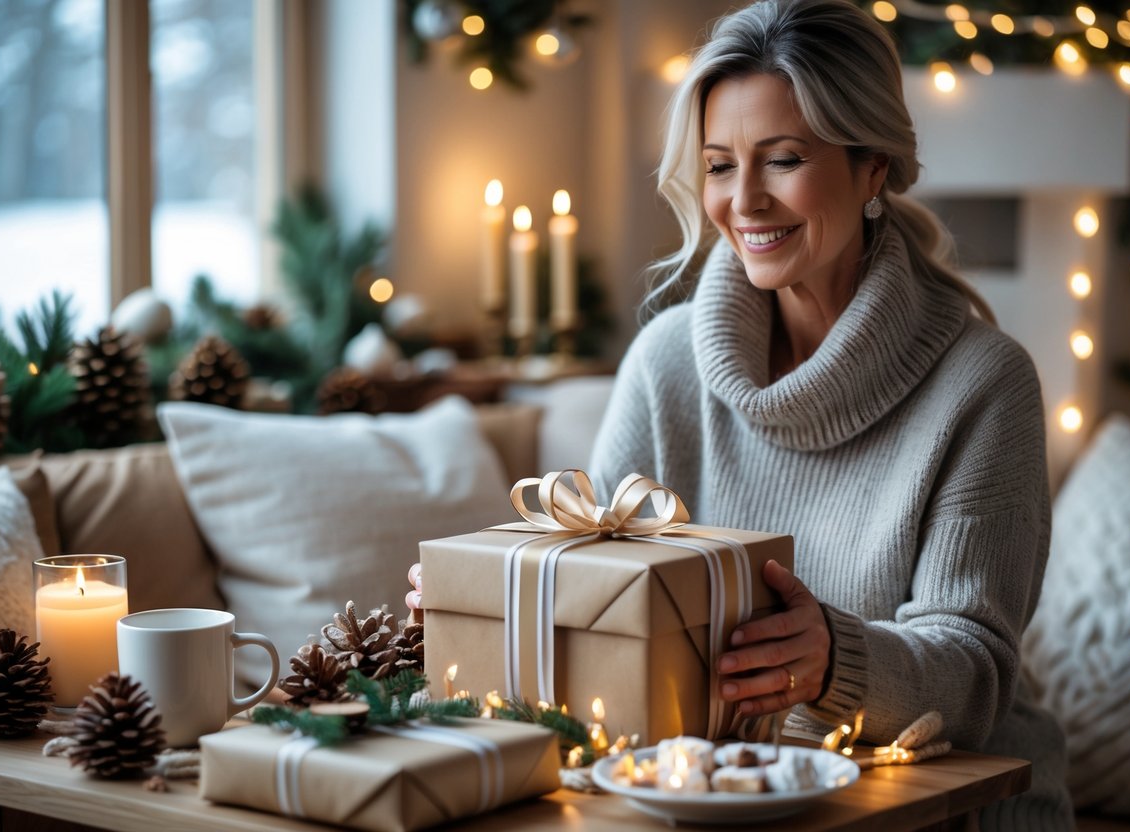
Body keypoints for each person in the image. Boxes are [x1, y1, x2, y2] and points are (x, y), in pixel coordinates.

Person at [411, 0, 1072, 826]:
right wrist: (492, 600)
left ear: (874, 170)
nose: (745, 200)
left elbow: (974, 676)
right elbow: (595, 573)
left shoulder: (983, 383)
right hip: (710, 793)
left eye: (783, 159)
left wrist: (837, 662)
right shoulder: (666, 360)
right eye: (720, 165)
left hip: (938, 806)